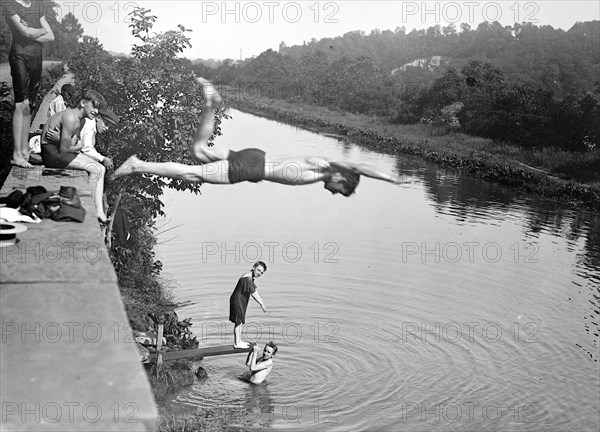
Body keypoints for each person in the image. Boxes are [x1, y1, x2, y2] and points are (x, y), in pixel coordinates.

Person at [113, 78, 402, 197]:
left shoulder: (321, 164)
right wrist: (392, 178)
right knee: (193, 174)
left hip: (256, 155)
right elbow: (360, 168)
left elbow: (354, 169)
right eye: (339, 191)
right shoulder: (324, 169)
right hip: (251, 169)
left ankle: (211, 105)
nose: (332, 193)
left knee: (199, 150)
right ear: (343, 179)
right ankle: (137, 165)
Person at [41, 89, 110, 223]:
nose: (96, 111)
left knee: (101, 169)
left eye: (98, 109)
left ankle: (99, 212)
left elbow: (74, 143)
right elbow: (66, 148)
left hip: (59, 149)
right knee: (95, 169)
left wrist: (66, 141)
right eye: (94, 106)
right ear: (83, 102)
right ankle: (87, 208)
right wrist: (71, 144)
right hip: (52, 153)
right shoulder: (70, 117)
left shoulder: (82, 120)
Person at [2, 0, 55, 168]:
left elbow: (51, 36)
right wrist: (38, 31)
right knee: (21, 103)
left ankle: (25, 151)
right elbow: (25, 33)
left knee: (30, 105)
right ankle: (16, 154)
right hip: (20, 56)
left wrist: (33, 31)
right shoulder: (10, 4)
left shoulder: (37, 6)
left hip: (36, 57)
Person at [229, 261, 268, 349]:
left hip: (241, 301)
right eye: (258, 270)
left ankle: (239, 341)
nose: (259, 273)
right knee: (238, 322)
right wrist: (262, 304)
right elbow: (254, 293)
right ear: (254, 267)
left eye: (262, 272)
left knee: (240, 322)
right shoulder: (248, 279)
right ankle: (237, 343)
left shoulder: (250, 277)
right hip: (237, 301)